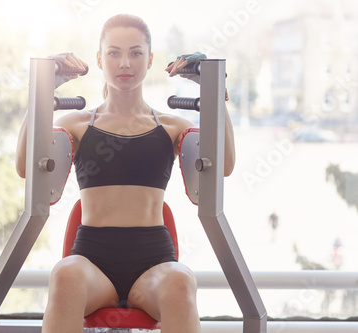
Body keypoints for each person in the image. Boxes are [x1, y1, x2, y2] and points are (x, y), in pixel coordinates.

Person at [15, 13, 236, 333]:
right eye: (114, 52)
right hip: (92, 259)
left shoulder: (173, 126)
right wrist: (42, 89)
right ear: (99, 60)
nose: (124, 63)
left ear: (149, 61)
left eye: (135, 53)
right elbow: (25, 166)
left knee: (181, 280)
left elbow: (224, 165)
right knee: (64, 274)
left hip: (153, 261)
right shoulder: (76, 124)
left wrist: (215, 90)